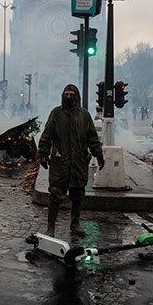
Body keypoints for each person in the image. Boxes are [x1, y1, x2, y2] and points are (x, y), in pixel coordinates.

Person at [38, 84, 104, 237]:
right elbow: (47, 135)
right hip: (60, 163)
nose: (68, 97)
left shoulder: (84, 115)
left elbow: (92, 138)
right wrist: (43, 154)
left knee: (78, 195)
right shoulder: (56, 114)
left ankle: (75, 224)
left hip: (78, 163)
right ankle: (51, 227)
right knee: (55, 194)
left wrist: (98, 155)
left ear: (76, 96)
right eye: (66, 94)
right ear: (63, 96)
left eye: (71, 95)